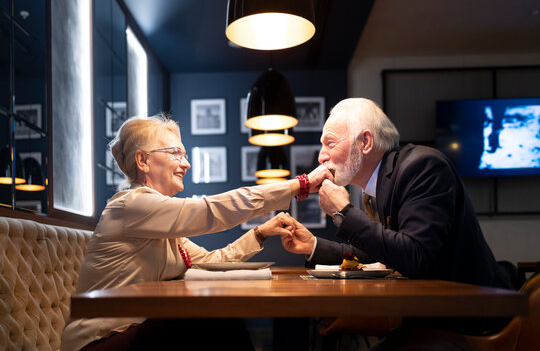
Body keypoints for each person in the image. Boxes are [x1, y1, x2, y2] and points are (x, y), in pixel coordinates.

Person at [61, 113, 332, 351]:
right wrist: (301, 184)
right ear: (143, 160)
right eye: (175, 153)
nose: (186, 164)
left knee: (210, 314)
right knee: (204, 315)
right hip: (99, 341)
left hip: (136, 332)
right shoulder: (130, 206)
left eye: (185, 155)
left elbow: (210, 265)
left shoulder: (160, 224)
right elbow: (211, 210)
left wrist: (259, 234)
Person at [281, 98, 514, 337]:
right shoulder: (377, 185)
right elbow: (380, 253)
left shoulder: (422, 167)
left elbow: (416, 256)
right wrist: (313, 246)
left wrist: (344, 212)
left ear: (365, 142)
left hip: (472, 322)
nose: (321, 157)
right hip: (431, 317)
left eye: (330, 143)